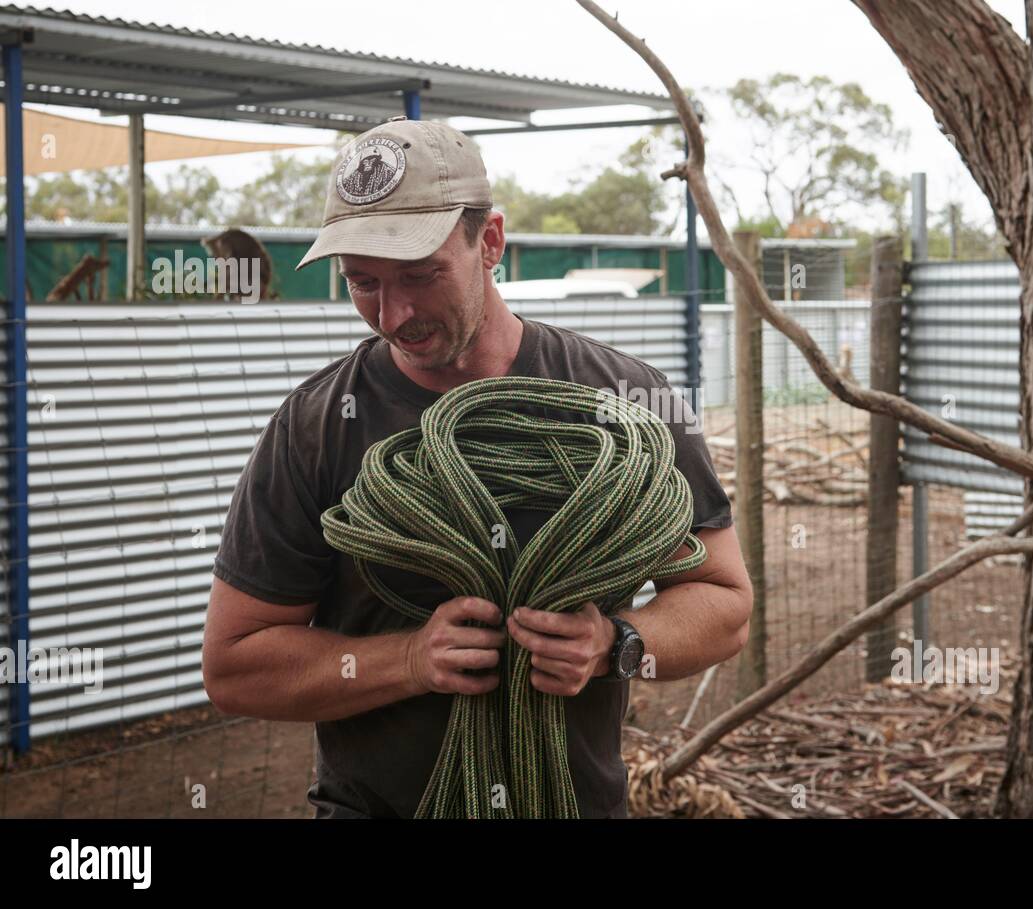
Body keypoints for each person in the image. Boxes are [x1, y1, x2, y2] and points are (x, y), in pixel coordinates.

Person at [201, 116, 753, 819]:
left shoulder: (623, 403)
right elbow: (235, 664)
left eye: (420, 275)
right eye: (363, 282)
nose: (394, 313)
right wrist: (406, 661)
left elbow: (724, 602)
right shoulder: (313, 426)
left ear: (489, 241)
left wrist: (617, 641)